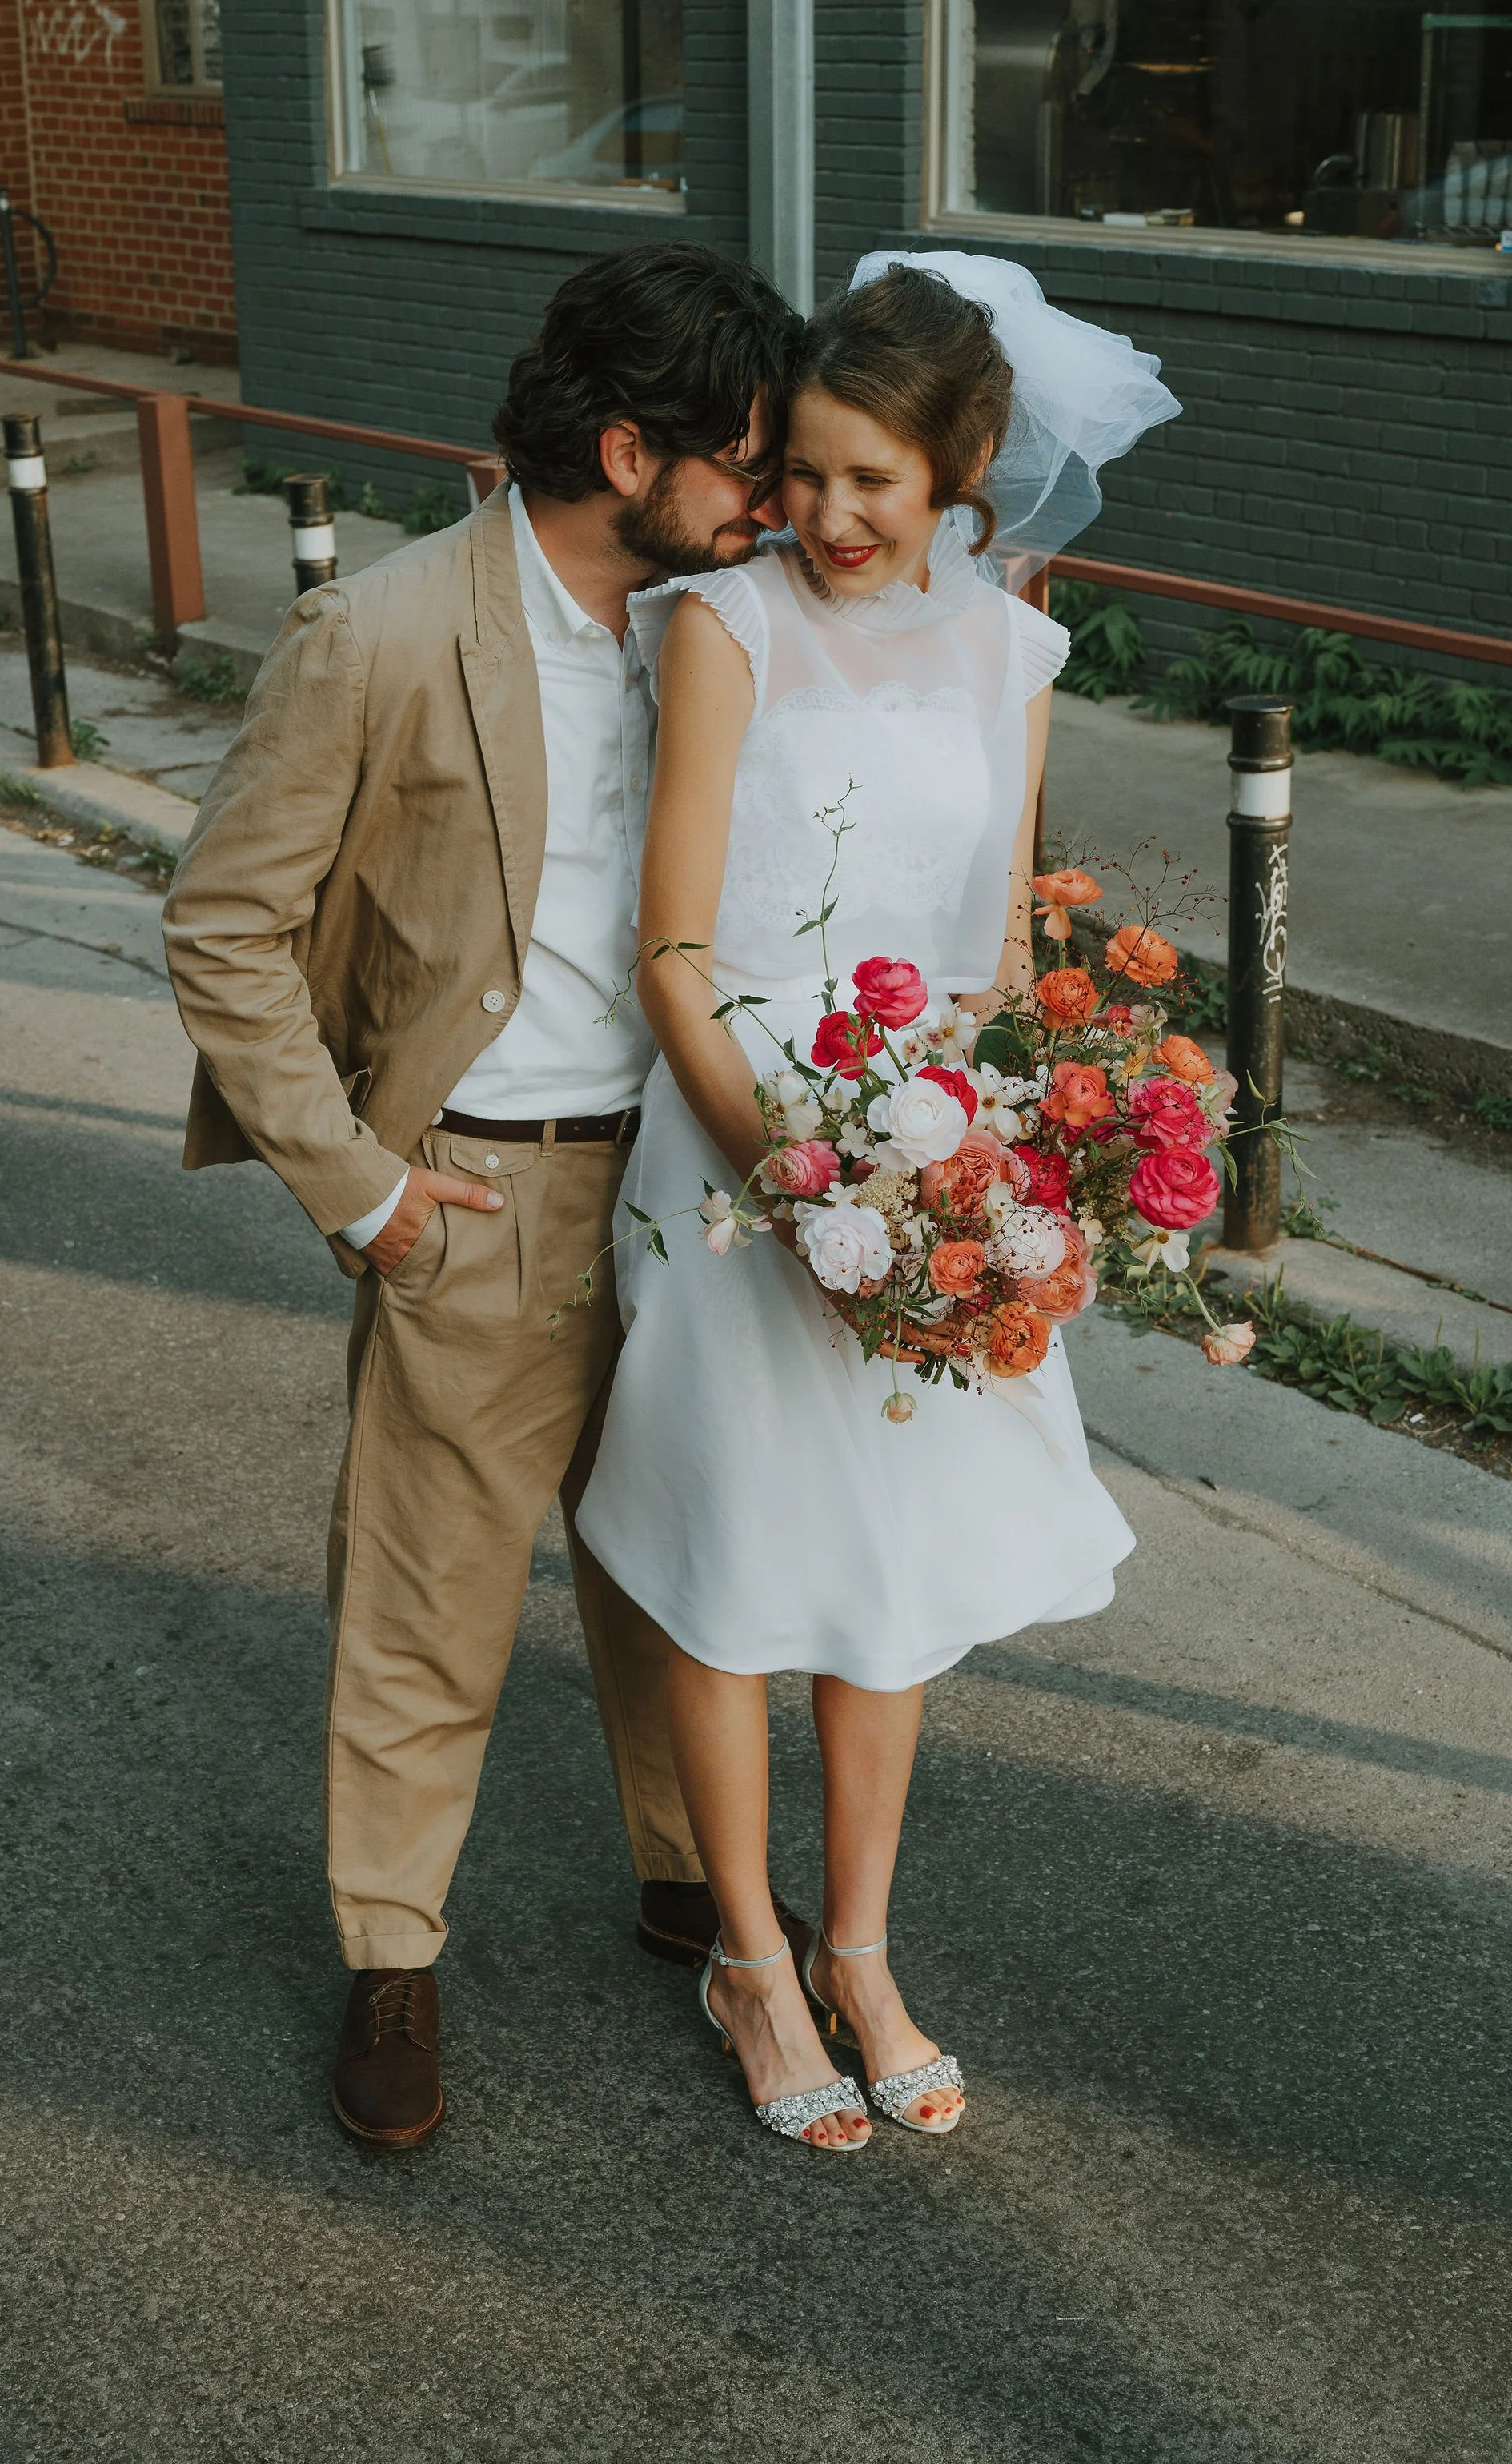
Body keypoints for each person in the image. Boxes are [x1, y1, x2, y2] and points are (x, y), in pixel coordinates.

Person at [160, 243, 808, 2150]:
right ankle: (390, 1953)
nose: (767, 501)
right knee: (427, 1610)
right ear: (627, 449)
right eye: (743, 463)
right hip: (479, 1199)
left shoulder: (730, 618)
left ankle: (693, 1875)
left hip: (686, 1193)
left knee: (685, 1567)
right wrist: (361, 1192)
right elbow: (223, 927)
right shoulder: (377, 635)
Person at [576, 254, 1178, 2152]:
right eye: (808, 472)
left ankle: (861, 1945)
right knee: (738, 1557)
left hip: (922, 1147)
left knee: (891, 1574)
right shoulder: (722, 623)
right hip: (738, 1144)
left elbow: (994, 948)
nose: (826, 520)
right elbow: (671, 948)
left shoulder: (1014, 651)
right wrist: (789, 1172)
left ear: (964, 471)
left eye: (873, 485)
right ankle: (748, 1957)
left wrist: (976, 1169)